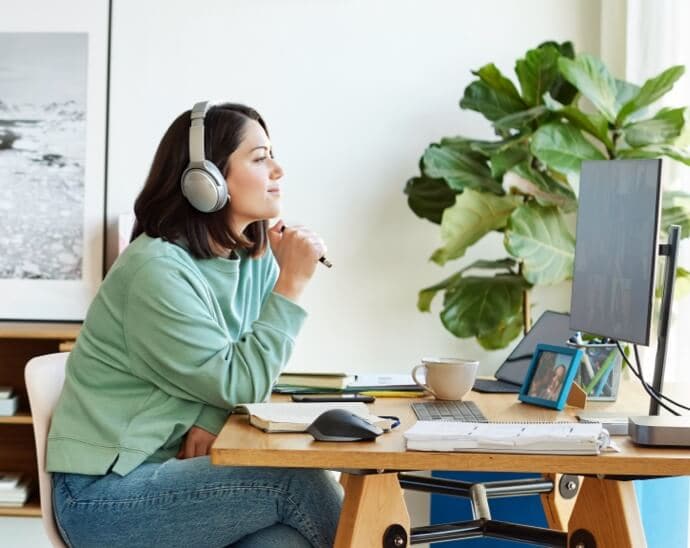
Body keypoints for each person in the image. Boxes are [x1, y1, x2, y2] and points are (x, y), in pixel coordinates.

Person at [46, 102, 343, 547]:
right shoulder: (156, 271)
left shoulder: (252, 260)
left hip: (178, 478)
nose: (278, 169)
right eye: (260, 157)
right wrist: (293, 284)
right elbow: (241, 382)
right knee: (292, 479)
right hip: (104, 496)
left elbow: (241, 368)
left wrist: (211, 413)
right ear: (205, 180)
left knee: (286, 543)